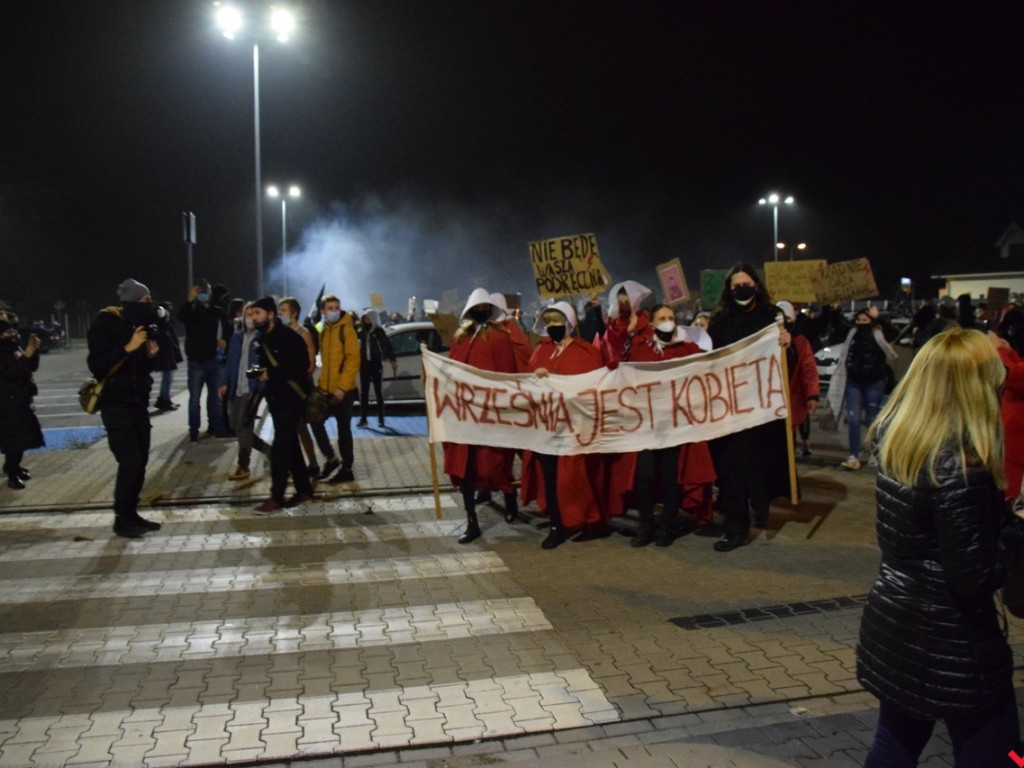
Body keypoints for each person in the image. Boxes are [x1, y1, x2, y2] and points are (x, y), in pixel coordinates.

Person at [856, 326, 1024, 767]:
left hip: (897, 625)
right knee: (1006, 756)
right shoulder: (961, 466)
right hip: (955, 645)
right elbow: (975, 579)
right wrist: (1016, 527)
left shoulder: (902, 440)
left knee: (894, 745)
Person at [706, 262, 792, 552]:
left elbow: (786, 364)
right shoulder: (720, 322)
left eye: (746, 284)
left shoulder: (772, 318)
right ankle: (735, 528)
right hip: (730, 407)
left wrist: (786, 344)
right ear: (729, 291)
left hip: (762, 409)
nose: (742, 290)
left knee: (758, 464)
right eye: (736, 286)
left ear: (756, 285)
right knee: (731, 468)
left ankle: (761, 503)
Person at [613, 302, 713, 547]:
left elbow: (710, 365)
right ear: (652, 323)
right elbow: (616, 364)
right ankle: (646, 524)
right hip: (647, 427)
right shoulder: (639, 348)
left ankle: (667, 524)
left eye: (671, 318)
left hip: (675, 426)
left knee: (671, 478)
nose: (667, 322)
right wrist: (627, 333)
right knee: (644, 476)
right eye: (662, 318)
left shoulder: (687, 348)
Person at [444, 288, 527, 543]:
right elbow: (451, 370)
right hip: (466, 415)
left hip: (490, 413)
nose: (480, 312)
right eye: (476, 309)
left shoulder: (500, 337)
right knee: (466, 469)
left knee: (496, 464)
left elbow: (506, 373)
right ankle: (472, 522)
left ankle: (510, 502)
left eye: (484, 308)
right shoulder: (460, 338)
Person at [520, 302, 605, 549]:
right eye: (549, 322)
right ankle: (557, 525)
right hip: (547, 426)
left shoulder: (587, 352)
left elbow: (593, 387)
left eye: (557, 322)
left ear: (569, 323)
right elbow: (528, 385)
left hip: (576, 427)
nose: (552, 327)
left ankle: (590, 520)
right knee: (549, 476)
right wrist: (537, 378)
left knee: (577, 477)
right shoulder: (541, 351)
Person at [86, 278, 162, 538]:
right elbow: (97, 365)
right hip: (115, 403)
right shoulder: (105, 322)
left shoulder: (136, 324)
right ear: (133, 301)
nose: (149, 304)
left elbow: (140, 368)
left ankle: (132, 513)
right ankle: (121, 518)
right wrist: (128, 347)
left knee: (141, 459)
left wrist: (150, 356)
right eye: (145, 300)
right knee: (130, 460)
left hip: (138, 401)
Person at [250, 296, 316, 513]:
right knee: (291, 446)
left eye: (258, 313)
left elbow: (301, 365)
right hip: (276, 400)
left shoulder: (288, 336)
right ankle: (304, 489)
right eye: (252, 314)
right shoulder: (264, 338)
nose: (254, 318)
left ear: (270, 315)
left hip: (291, 400)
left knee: (279, 449)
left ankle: (276, 497)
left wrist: (272, 373)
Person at [830, 308, 896, 471]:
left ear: (872, 321)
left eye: (865, 320)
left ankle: (875, 452)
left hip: (874, 382)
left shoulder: (879, 333)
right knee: (853, 420)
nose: (861, 323)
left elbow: (894, 332)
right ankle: (854, 455)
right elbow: (838, 325)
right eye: (859, 320)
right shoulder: (852, 334)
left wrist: (880, 317)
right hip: (854, 381)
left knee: (872, 420)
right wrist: (833, 308)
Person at [220, 302, 270, 481]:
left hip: (251, 389)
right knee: (236, 426)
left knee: (244, 426)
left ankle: (243, 465)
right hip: (236, 388)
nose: (250, 318)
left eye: (253, 314)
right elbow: (230, 362)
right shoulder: (236, 338)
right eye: (247, 315)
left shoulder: (262, 338)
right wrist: (224, 383)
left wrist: (259, 390)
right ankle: (268, 451)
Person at [315, 294, 361, 483]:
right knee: (315, 420)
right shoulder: (324, 330)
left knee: (343, 430)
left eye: (337, 308)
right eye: (330, 308)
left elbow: (353, 361)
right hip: (326, 389)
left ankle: (347, 469)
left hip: (344, 390)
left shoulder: (347, 330)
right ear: (323, 311)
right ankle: (331, 459)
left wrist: (342, 388)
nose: (334, 311)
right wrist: (322, 385)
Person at [179, 278, 230, 441]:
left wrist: (225, 341)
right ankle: (193, 432)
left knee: (216, 398)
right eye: (199, 291)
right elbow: (181, 316)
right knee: (194, 399)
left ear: (210, 292)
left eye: (205, 291)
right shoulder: (193, 311)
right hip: (196, 361)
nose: (203, 294)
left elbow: (228, 330)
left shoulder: (218, 311)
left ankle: (218, 429)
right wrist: (189, 300)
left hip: (216, 361)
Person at [279, 297, 324, 478]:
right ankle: (293, 464)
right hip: (283, 388)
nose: (281, 314)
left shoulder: (304, 334)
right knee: (287, 429)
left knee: (301, 427)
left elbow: (311, 365)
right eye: (280, 310)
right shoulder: (280, 333)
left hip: (299, 389)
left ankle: (312, 462)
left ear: (294, 312)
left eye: (284, 310)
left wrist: (296, 378)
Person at [0, 316, 43, 489]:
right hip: (7, 402)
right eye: (7, 331)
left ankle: (15, 467)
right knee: (14, 440)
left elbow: (30, 367)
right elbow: (10, 373)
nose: (12, 333)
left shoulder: (12, 346)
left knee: (22, 438)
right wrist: (27, 355)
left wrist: (33, 351)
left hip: (20, 399)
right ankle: (11, 474)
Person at [777, 301, 820, 458]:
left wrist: (812, 394)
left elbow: (808, 368)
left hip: (792, 396)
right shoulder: (766, 340)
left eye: (787, 320)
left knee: (789, 436)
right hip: (772, 399)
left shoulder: (800, 342)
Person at [355, 310, 397, 428]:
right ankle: (363, 419)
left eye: (368, 318)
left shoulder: (378, 331)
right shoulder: (360, 331)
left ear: (373, 318)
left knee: (378, 391)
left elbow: (387, 345)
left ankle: (381, 419)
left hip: (375, 363)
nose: (366, 321)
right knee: (364, 393)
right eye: (364, 318)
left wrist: (392, 359)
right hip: (364, 364)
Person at [152, 300, 182, 411]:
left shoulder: (168, 325)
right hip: (165, 357)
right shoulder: (162, 326)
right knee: (167, 379)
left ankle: (164, 399)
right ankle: (165, 401)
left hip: (168, 356)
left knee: (168, 378)